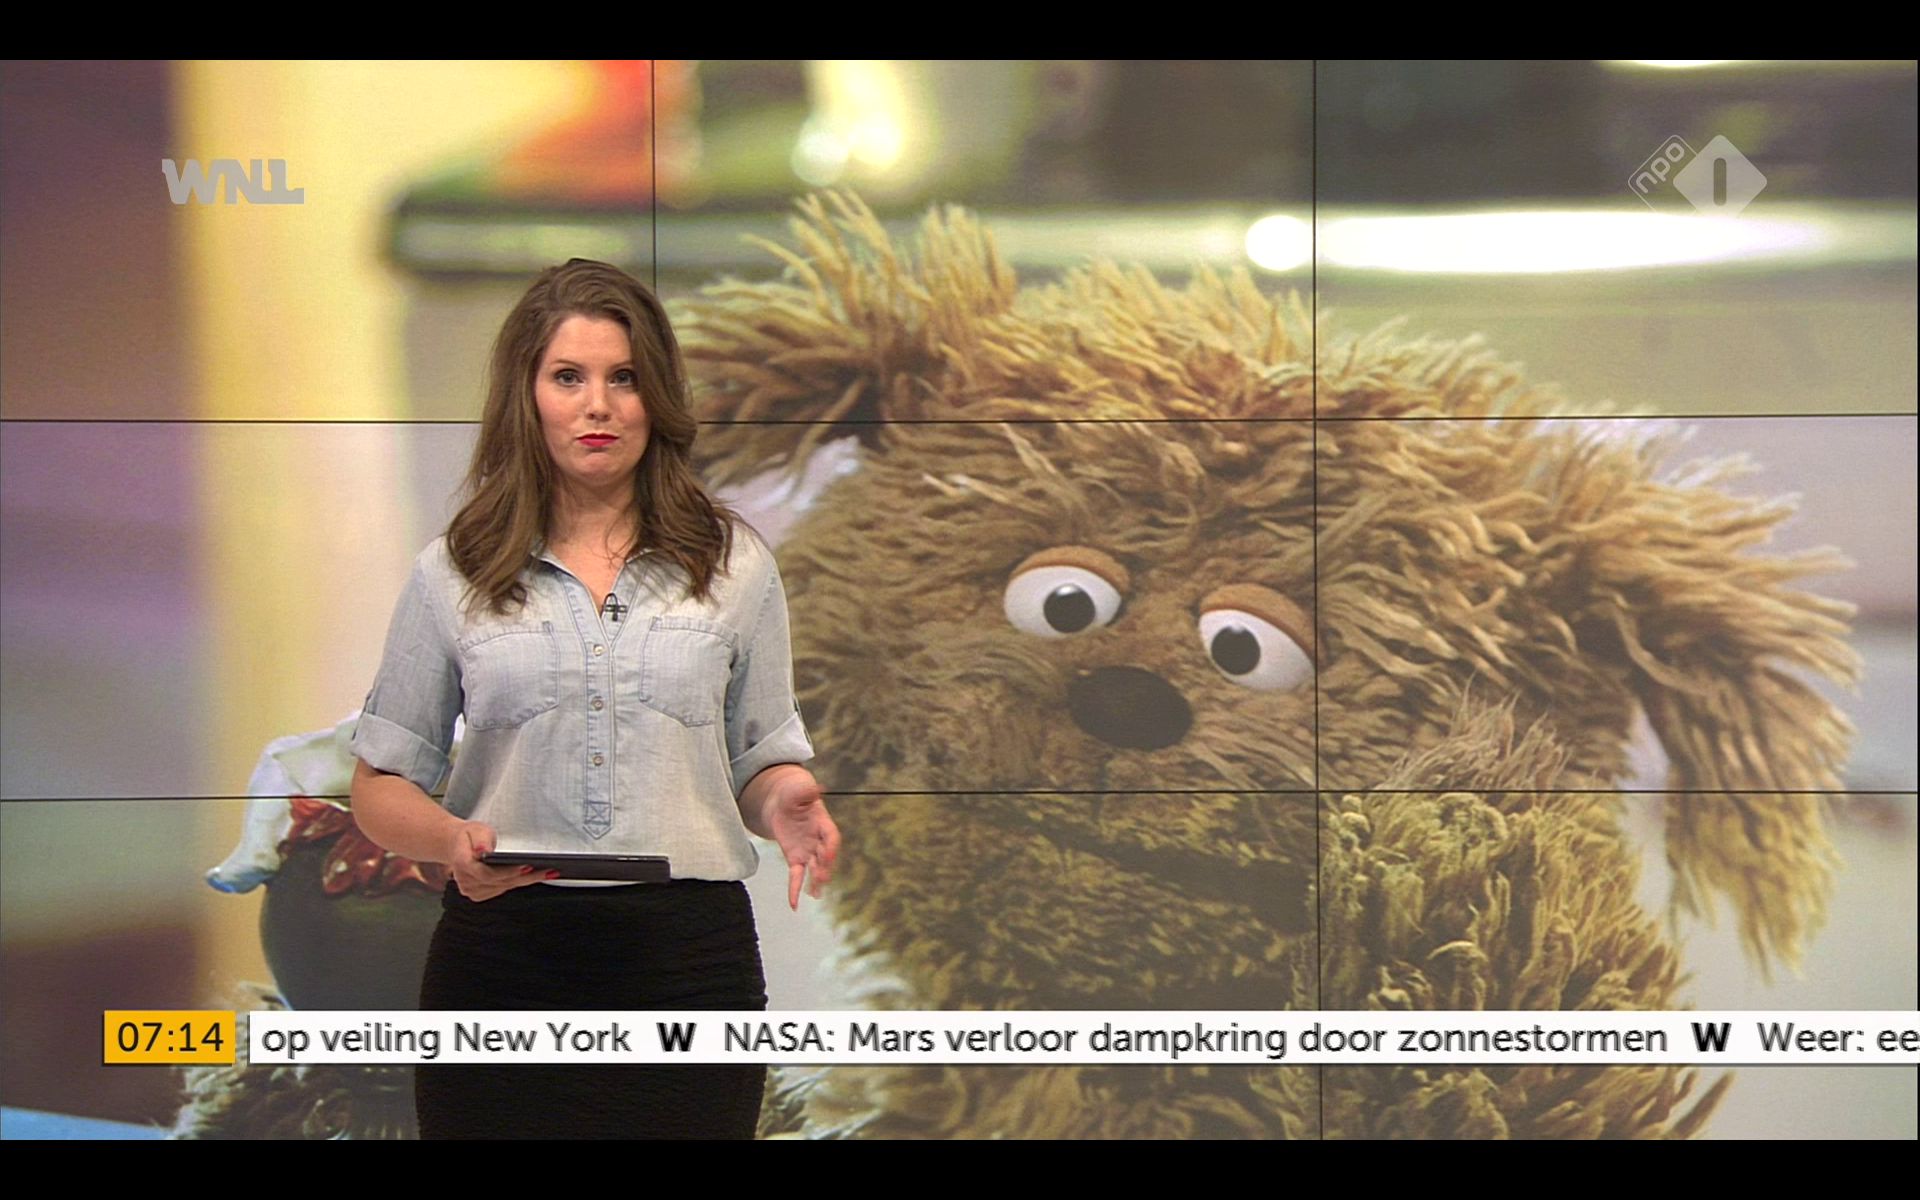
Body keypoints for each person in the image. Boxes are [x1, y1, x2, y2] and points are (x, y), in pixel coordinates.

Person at [346, 257, 839, 1140]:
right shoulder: (453, 571)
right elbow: (380, 784)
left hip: (687, 966)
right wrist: (450, 840)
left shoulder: (734, 566)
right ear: (527, 396)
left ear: (657, 399)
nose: (598, 405)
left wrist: (785, 800)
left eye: (625, 378)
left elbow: (759, 760)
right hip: (503, 962)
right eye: (568, 377)